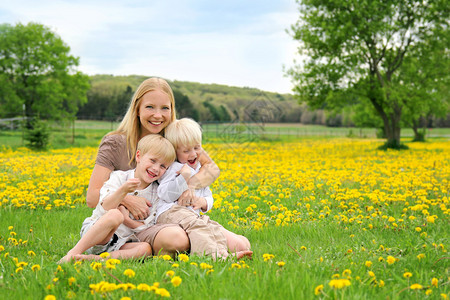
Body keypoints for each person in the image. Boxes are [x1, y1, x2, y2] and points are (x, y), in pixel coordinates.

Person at [85, 77, 220, 257]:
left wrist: (191, 186)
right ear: (137, 109)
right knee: (178, 239)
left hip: (166, 218)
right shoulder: (115, 142)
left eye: (165, 108)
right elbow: (92, 196)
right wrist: (126, 198)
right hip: (128, 226)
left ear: (172, 110)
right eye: (150, 107)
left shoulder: (174, 139)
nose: (158, 115)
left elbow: (212, 169)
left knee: (240, 243)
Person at [60, 135, 176, 262]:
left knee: (145, 249)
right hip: (96, 234)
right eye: (153, 161)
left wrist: (127, 220)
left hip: (121, 243)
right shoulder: (119, 177)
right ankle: (73, 253)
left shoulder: (157, 193)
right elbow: (104, 207)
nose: (156, 168)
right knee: (115, 215)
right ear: (139, 156)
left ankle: (92, 259)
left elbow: (148, 226)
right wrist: (123, 191)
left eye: (163, 166)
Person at [157, 118, 252, 258]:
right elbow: (164, 194)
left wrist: (204, 202)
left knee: (212, 229)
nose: (193, 154)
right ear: (174, 151)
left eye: (197, 147)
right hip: (171, 212)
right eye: (186, 150)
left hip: (193, 215)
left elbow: (208, 194)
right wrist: (183, 178)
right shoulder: (174, 168)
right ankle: (216, 258)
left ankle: (223, 253)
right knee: (199, 228)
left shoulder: (200, 169)